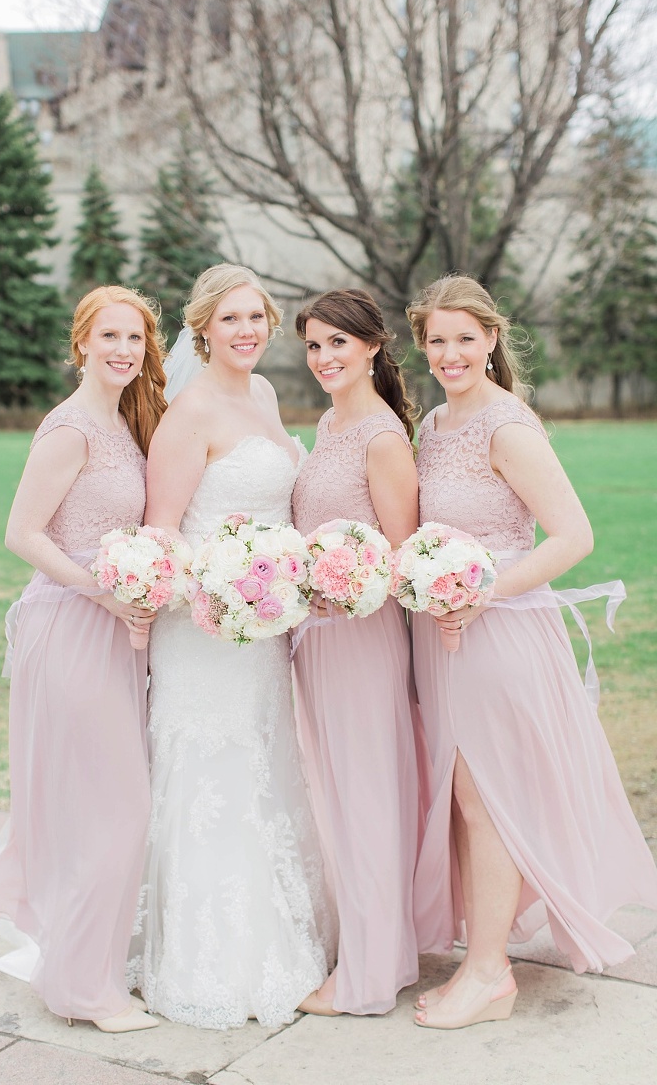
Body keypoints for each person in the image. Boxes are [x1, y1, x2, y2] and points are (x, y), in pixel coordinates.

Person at [406, 274, 657, 1030]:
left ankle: (489, 977)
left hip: (500, 633)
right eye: (437, 340)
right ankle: (481, 951)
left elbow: (573, 537)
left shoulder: (506, 426)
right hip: (442, 635)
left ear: (491, 339)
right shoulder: (434, 427)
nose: (451, 353)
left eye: (465, 338)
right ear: (423, 346)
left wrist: (482, 592)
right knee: (463, 796)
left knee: (489, 800)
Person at [128, 263, 334, 1030]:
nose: (247, 331)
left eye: (258, 319)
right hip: (202, 632)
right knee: (210, 773)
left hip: (263, 630)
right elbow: (162, 532)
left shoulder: (265, 395)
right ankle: (201, 957)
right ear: (203, 328)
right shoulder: (187, 415)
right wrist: (214, 590)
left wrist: (271, 586)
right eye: (233, 319)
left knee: (266, 764)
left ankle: (278, 932)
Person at [0, 285, 167, 1032]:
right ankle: (82, 989)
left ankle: (84, 967)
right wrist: (104, 591)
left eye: (135, 339)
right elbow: (23, 533)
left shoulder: (121, 424)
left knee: (110, 803)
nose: (124, 350)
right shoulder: (69, 429)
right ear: (82, 342)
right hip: (72, 627)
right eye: (110, 336)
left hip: (115, 629)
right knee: (118, 806)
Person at [290, 289, 424, 1016]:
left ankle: (368, 979)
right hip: (316, 639)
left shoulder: (381, 437)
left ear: (373, 346)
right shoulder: (330, 421)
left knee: (365, 793)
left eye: (337, 343)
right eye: (313, 346)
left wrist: (346, 589)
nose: (323, 359)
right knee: (335, 792)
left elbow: (401, 561)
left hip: (362, 640)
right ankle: (377, 950)